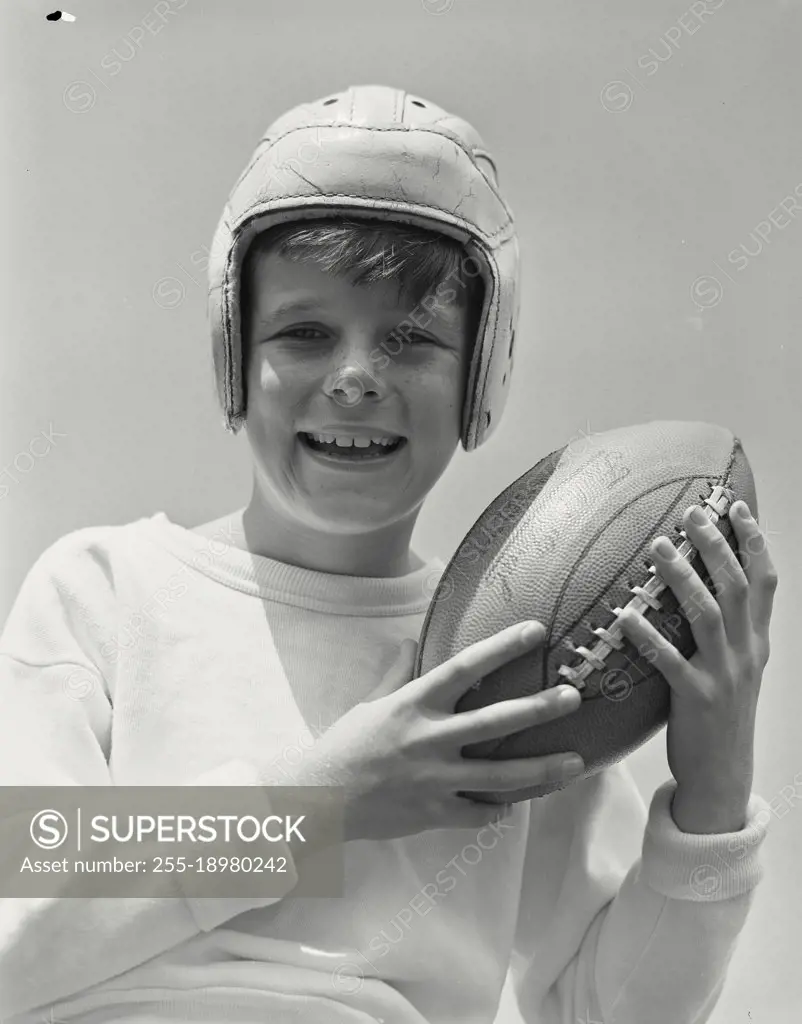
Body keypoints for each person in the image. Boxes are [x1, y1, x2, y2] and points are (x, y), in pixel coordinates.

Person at [0, 84, 778, 1024]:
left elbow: (601, 1014)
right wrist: (327, 797)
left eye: (411, 340)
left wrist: (714, 792)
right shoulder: (106, 591)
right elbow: (18, 930)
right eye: (305, 332)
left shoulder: (519, 667)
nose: (357, 376)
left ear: (479, 377)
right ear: (234, 354)